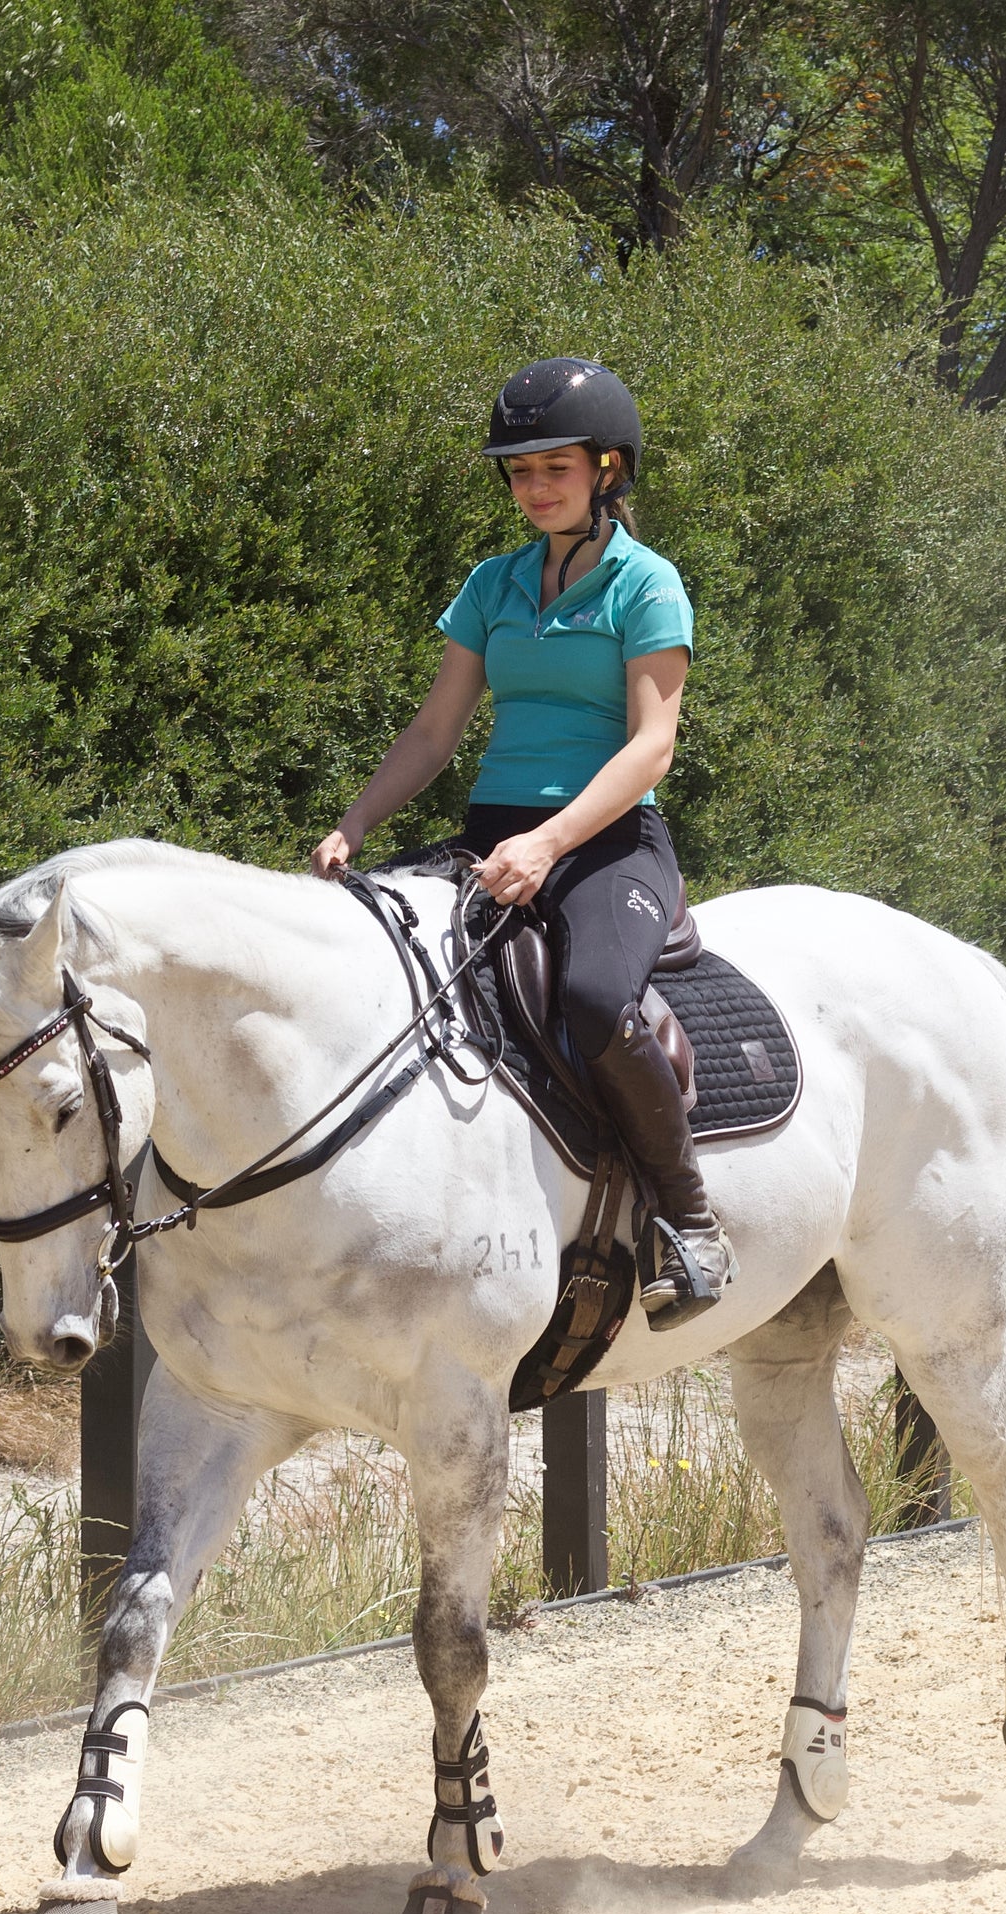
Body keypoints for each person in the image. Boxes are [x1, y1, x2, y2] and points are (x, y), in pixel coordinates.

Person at [312, 356, 737, 1328]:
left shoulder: (648, 584)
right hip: (491, 838)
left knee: (593, 1001)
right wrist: (354, 823)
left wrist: (550, 843)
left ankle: (691, 1221)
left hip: (608, 843)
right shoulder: (492, 585)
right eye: (520, 472)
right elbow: (432, 734)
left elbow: (651, 745)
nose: (537, 488)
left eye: (557, 468)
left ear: (607, 470)